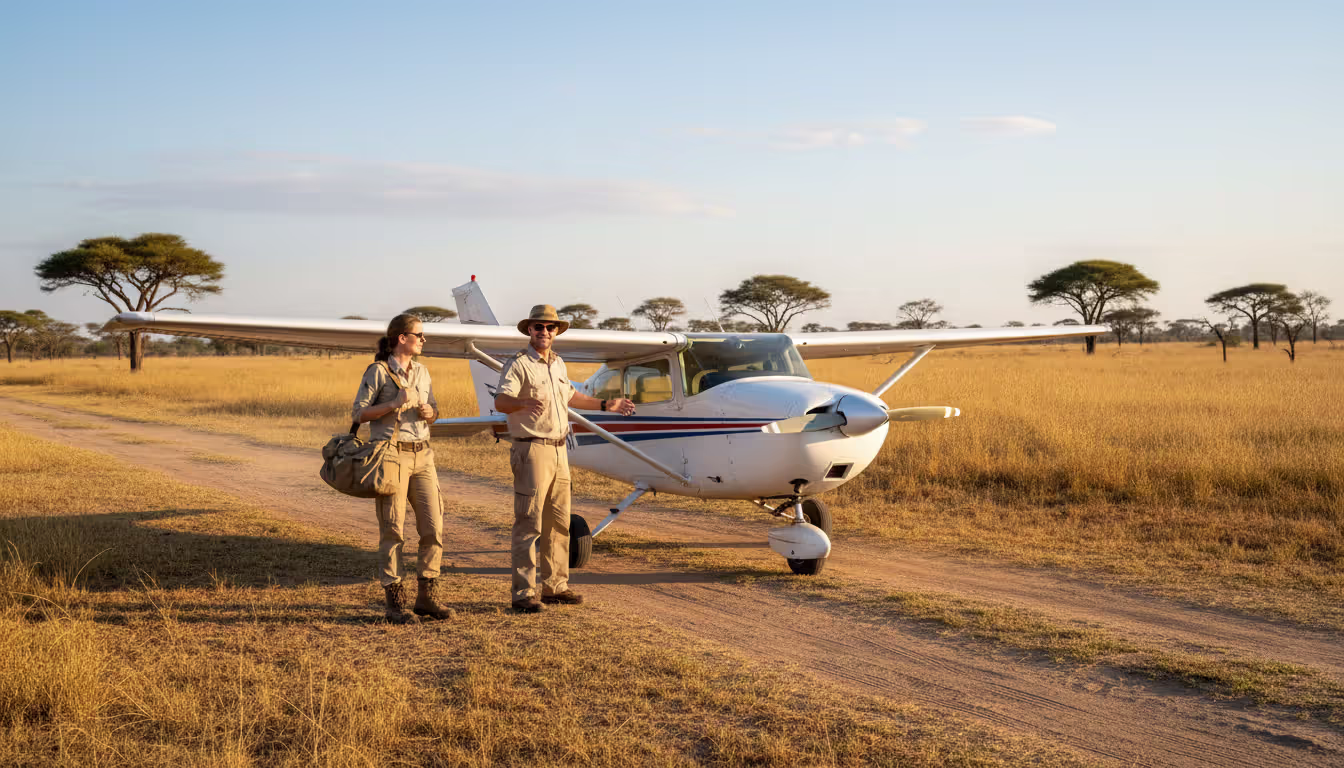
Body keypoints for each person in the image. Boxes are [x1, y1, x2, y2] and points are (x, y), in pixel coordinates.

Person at [494, 304, 636, 613]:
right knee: (529, 522)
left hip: (560, 450)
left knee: (558, 523)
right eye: (538, 327)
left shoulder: (558, 364)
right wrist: (521, 402)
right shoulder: (518, 364)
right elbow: (501, 400)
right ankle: (523, 593)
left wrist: (605, 404)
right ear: (529, 330)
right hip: (531, 449)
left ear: (556, 332)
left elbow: (570, 396)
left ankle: (555, 587)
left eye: (550, 327)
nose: (544, 332)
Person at [351, 314, 453, 624]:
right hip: (392, 457)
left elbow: (434, 411)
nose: (424, 340)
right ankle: (395, 602)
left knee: (433, 527)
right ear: (401, 338)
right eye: (419, 335)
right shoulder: (379, 372)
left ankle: (427, 596)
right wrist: (394, 403)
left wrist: (429, 412)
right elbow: (359, 413)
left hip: (423, 455)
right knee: (393, 530)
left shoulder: (422, 371)